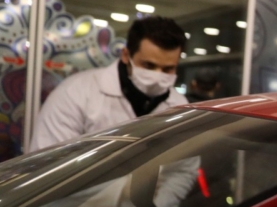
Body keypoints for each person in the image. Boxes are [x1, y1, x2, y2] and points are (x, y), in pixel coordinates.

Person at [29, 16, 188, 152]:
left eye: (168, 69)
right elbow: (47, 162)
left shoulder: (180, 106)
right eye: (148, 66)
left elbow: (183, 166)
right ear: (126, 55)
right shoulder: (75, 93)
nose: (157, 76)